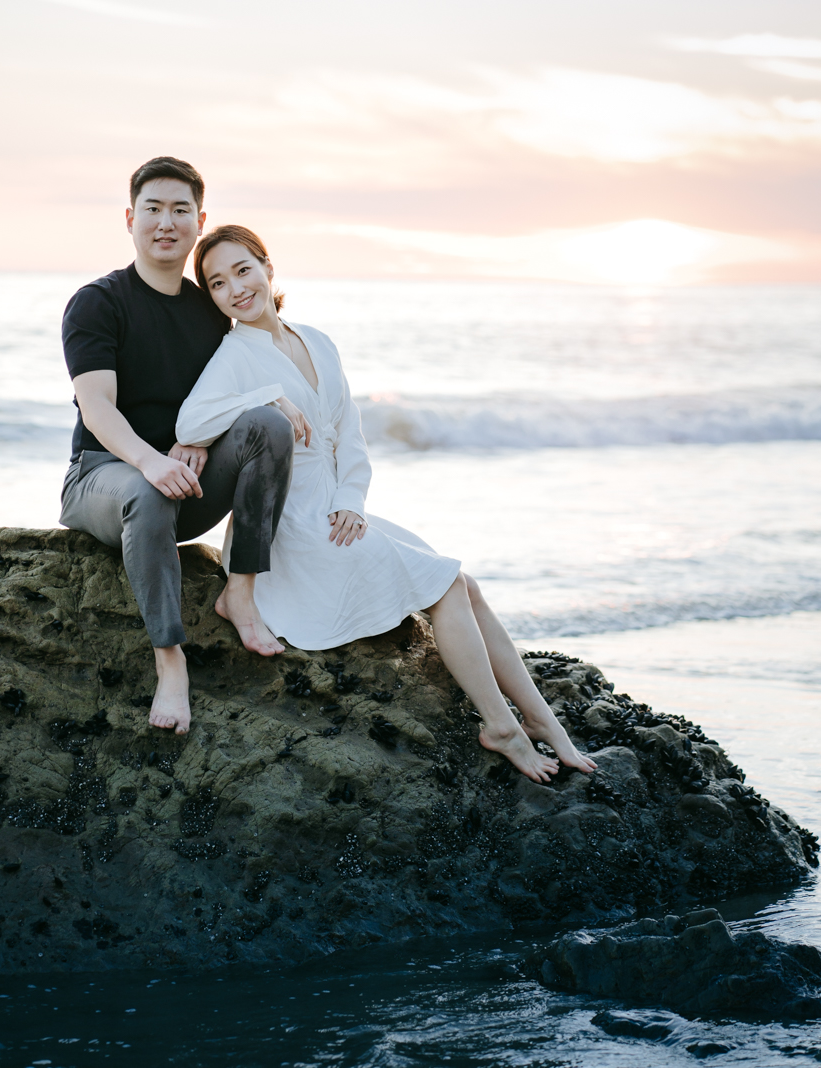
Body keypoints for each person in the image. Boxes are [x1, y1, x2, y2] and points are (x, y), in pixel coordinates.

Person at [177, 225, 597, 784]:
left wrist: (352, 498)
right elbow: (191, 422)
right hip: (289, 529)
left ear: (268, 267)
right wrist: (264, 396)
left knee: (464, 584)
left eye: (243, 270)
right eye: (217, 283)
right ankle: (501, 726)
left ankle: (544, 721)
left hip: (333, 508)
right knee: (446, 586)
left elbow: (350, 433)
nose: (235, 289)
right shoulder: (234, 354)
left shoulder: (316, 340)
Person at [58, 158, 309, 734]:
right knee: (146, 491)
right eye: (152, 209)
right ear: (130, 219)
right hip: (102, 477)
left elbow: (229, 386)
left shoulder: (209, 308)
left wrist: (202, 435)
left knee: (266, 425)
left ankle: (240, 594)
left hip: (185, 486)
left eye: (179, 211)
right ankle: (171, 664)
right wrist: (151, 458)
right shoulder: (98, 302)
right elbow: (97, 408)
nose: (165, 222)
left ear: (199, 221)